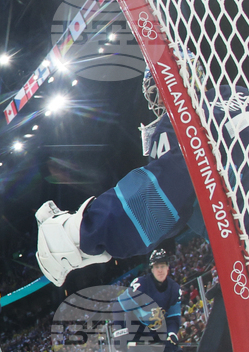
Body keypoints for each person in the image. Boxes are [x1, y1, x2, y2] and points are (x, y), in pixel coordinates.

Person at [35, 61, 248, 289]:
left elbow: (165, 197)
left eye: (158, 91)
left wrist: (84, 232)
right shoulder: (237, 93)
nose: (158, 101)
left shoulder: (177, 124)